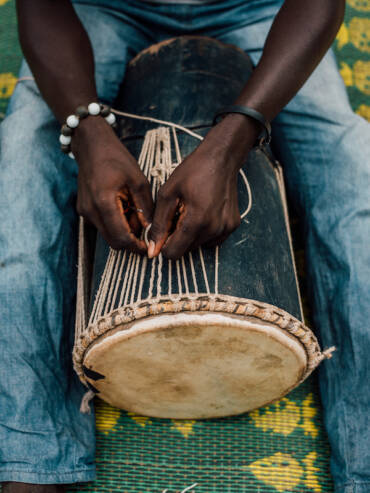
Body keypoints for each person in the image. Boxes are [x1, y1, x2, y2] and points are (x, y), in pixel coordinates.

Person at [0, 0, 369, 492]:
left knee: (353, 187)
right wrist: (87, 134)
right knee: (21, 175)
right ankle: (33, 454)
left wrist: (230, 143)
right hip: (100, 10)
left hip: (264, 10)